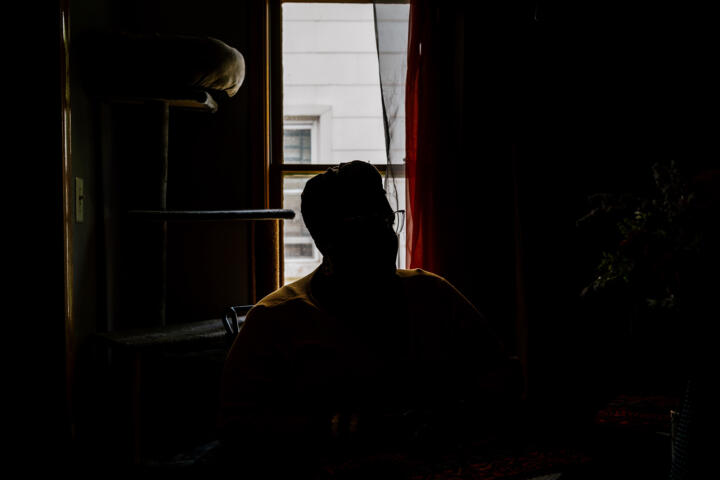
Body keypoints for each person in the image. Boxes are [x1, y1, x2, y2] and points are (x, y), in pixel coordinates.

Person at [218, 161, 522, 478]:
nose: (386, 238)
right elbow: (237, 427)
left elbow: (503, 373)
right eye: (364, 225)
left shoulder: (432, 294)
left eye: (387, 222)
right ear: (326, 241)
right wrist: (351, 429)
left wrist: (449, 417)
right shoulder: (274, 321)